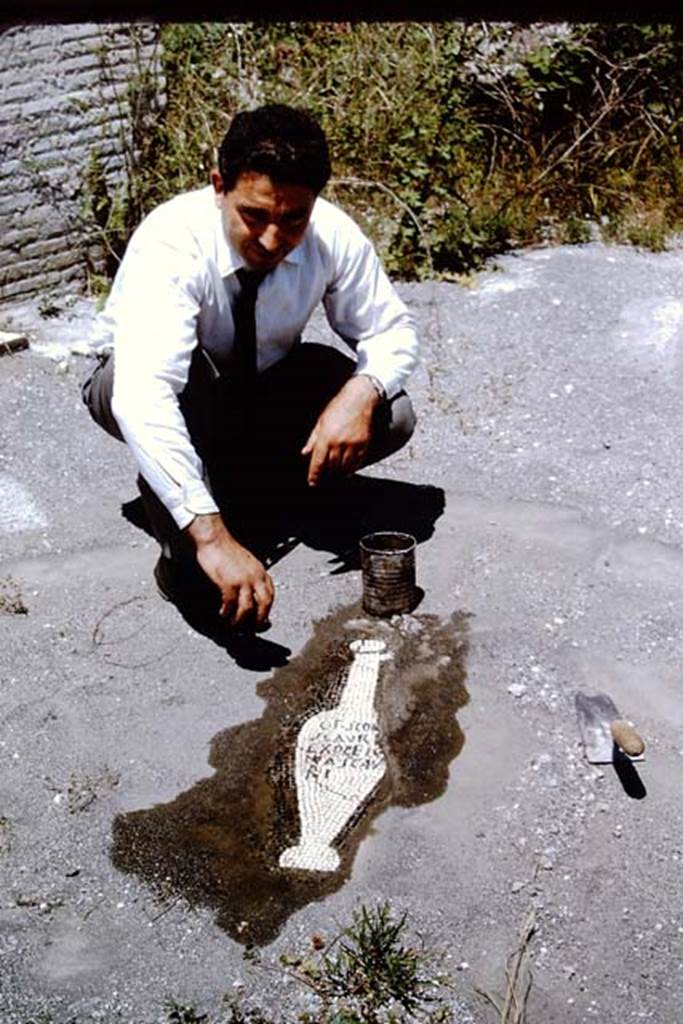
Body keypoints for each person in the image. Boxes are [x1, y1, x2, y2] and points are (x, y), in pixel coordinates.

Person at [83, 103, 419, 635]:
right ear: (219, 186)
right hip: (152, 386)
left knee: (391, 413)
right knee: (205, 588)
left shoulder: (332, 232)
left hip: (258, 385)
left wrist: (360, 392)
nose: (270, 240)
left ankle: (246, 484)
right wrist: (211, 537)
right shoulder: (172, 241)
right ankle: (205, 497)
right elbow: (145, 397)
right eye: (253, 216)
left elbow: (392, 330)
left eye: (292, 220)